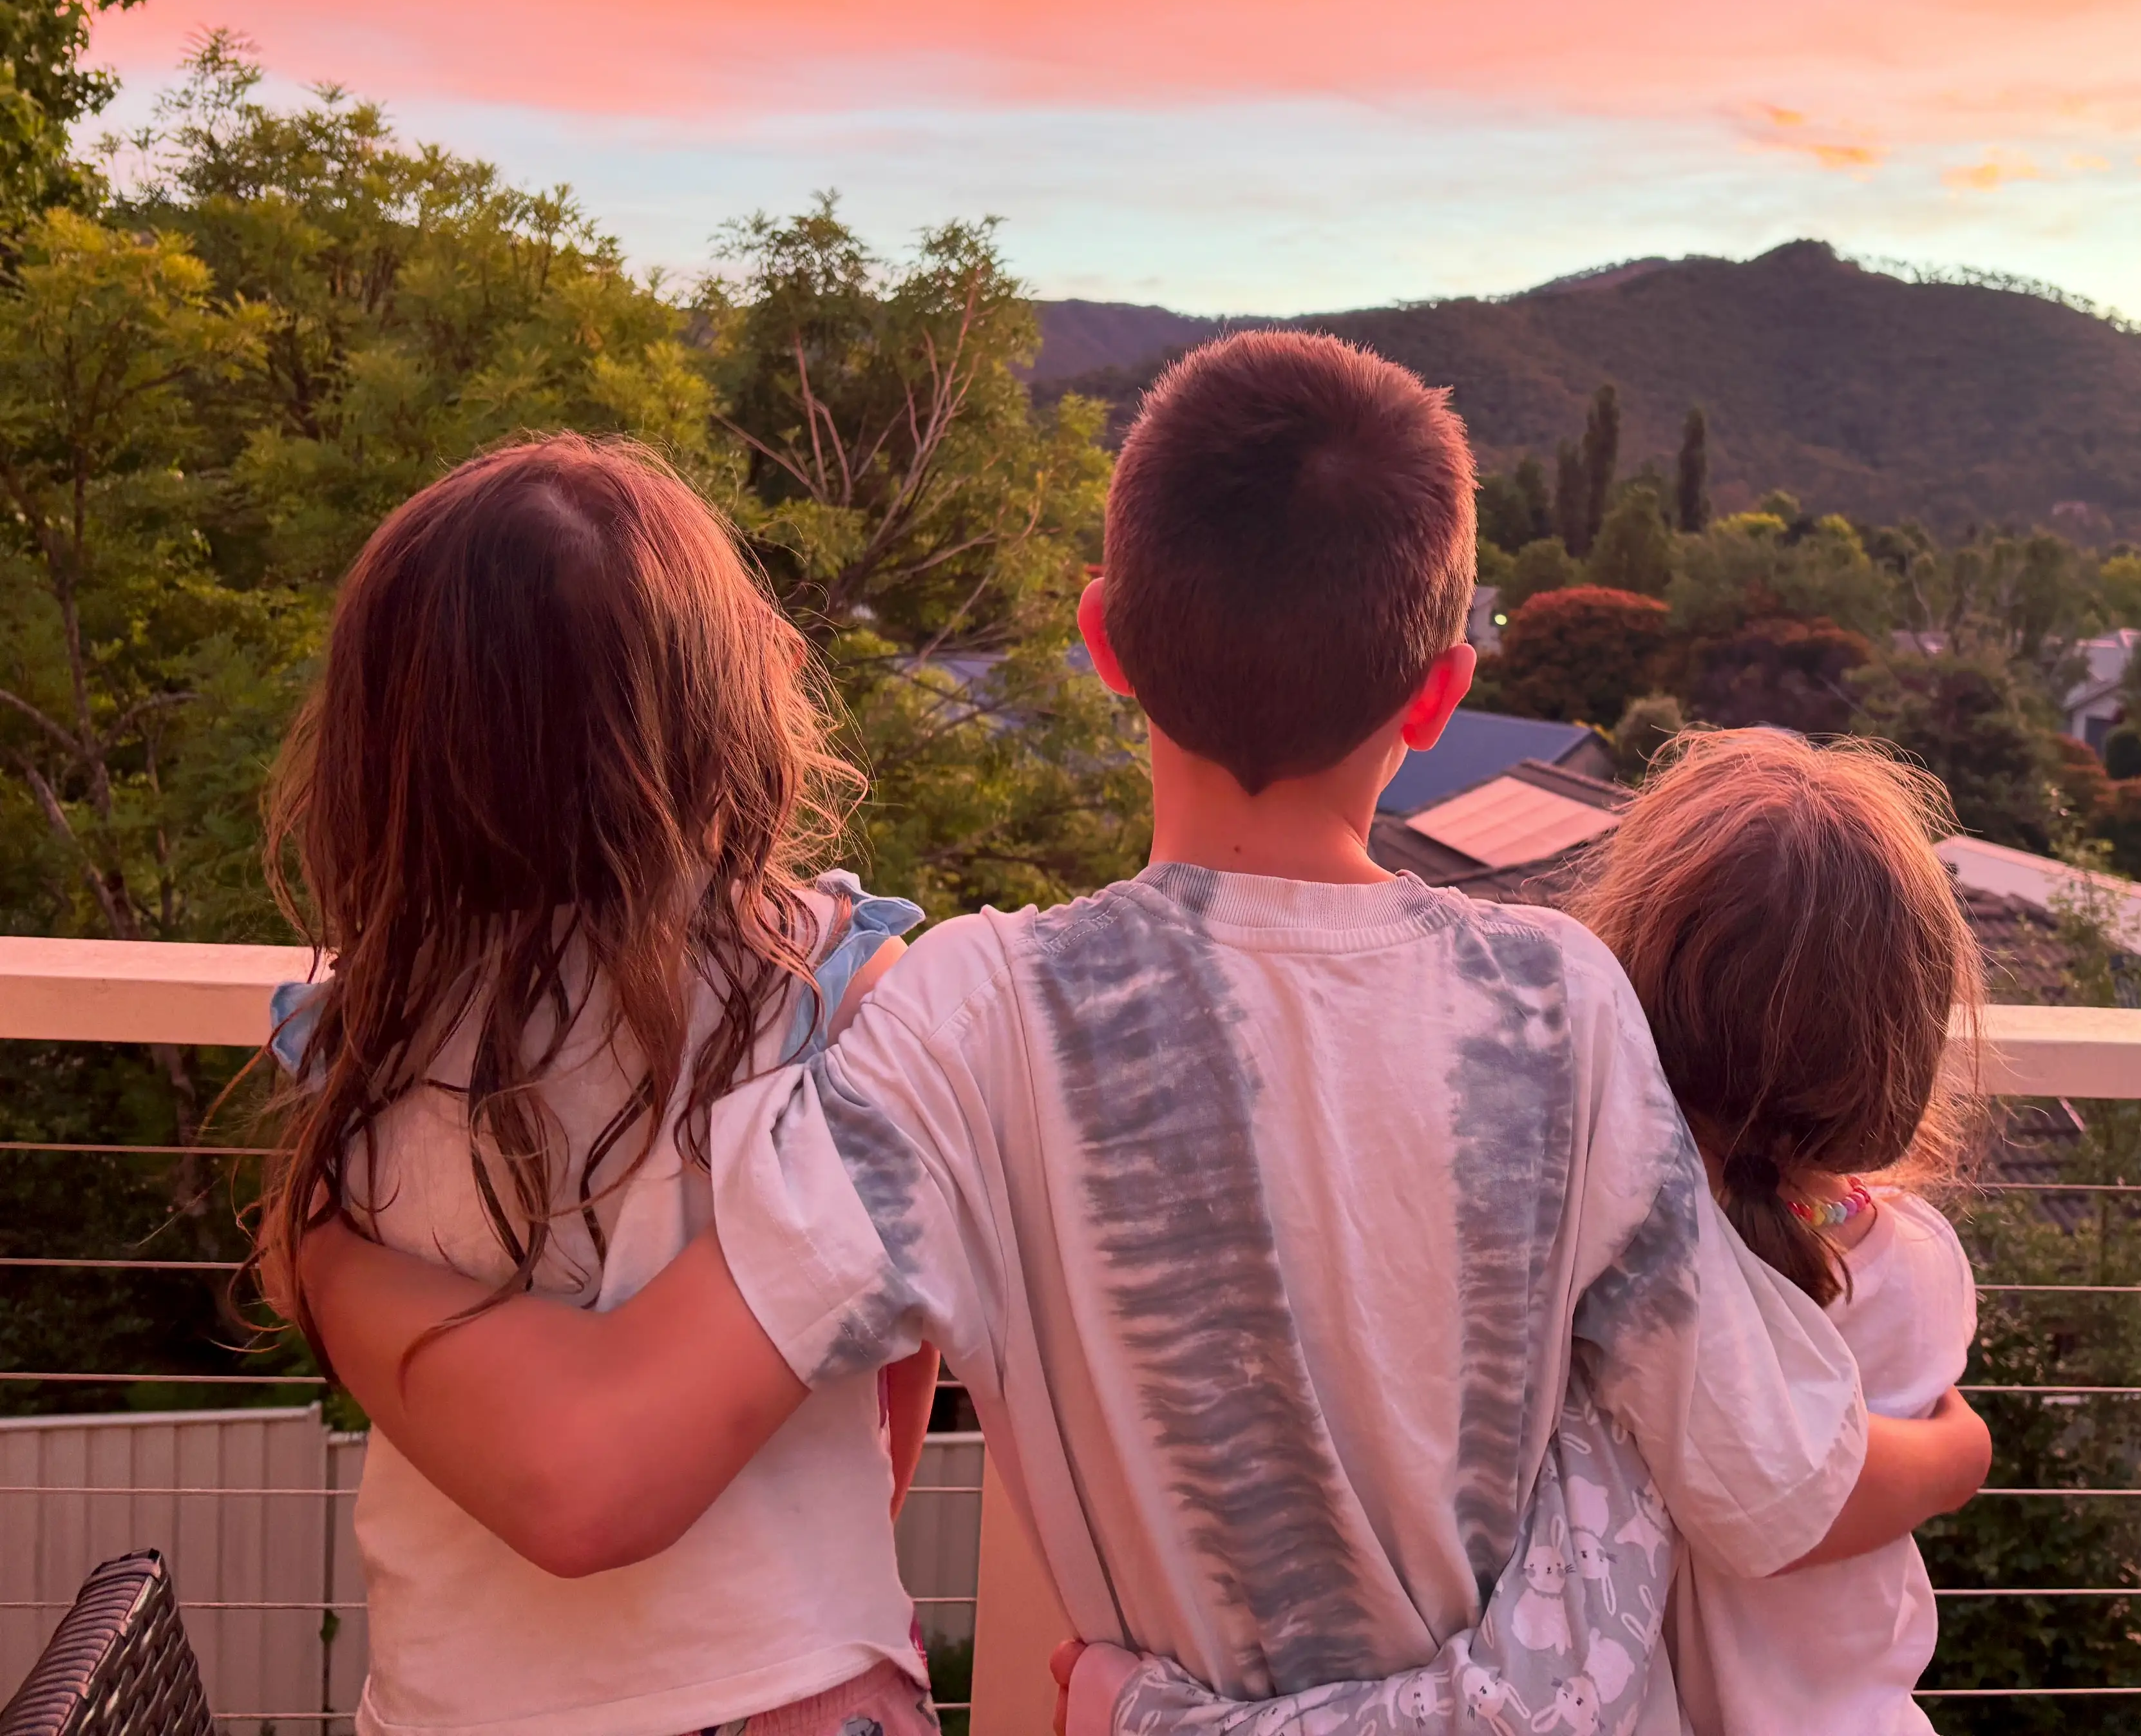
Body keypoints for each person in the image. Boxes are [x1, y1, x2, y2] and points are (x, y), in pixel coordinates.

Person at [288, 336, 1995, 1727]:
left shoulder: (973, 1020)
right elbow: (1771, 1487)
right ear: (1438, 693)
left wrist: (328, 1255)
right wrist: (1963, 1440)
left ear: (1105, 639)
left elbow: (604, 1461)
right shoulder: (1562, 1005)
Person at [1075, 729, 1984, 1736]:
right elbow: (1804, 1488)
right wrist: (1960, 1457)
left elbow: (1772, 1499)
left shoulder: (1596, 1241)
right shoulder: (1921, 1265)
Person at [256, 435, 942, 1736]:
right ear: (725, 699)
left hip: (463, 1703)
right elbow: (903, 1357)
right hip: (795, 1684)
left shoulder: (358, 1042)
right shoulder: (839, 995)